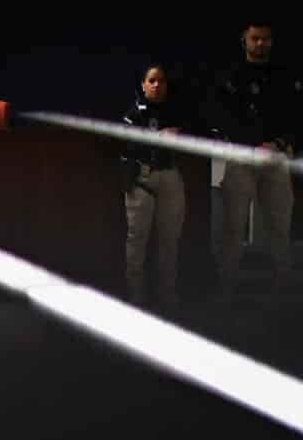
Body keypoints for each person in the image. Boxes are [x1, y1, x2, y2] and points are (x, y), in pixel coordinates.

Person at [209, 19, 299, 293]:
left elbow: (296, 115)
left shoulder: (284, 76)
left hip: (276, 158)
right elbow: (222, 117)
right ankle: (227, 287)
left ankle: (285, 284)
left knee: (280, 225)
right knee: (234, 225)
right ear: (245, 41)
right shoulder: (232, 76)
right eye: (255, 38)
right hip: (242, 157)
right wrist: (251, 144)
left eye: (265, 38)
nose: (260, 43)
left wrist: (280, 143)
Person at [120, 64, 190, 307]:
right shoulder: (134, 114)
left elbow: (197, 137)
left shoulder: (177, 112)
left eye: (161, 81)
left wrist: (180, 135)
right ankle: (136, 296)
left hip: (170, 177)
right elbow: (126, 145)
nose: (157, 85)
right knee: (137, 240)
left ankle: (166, 294)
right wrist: (159, 137)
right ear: (143, 85)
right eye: (152, 80)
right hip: (143, 179)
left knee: (169, 241)